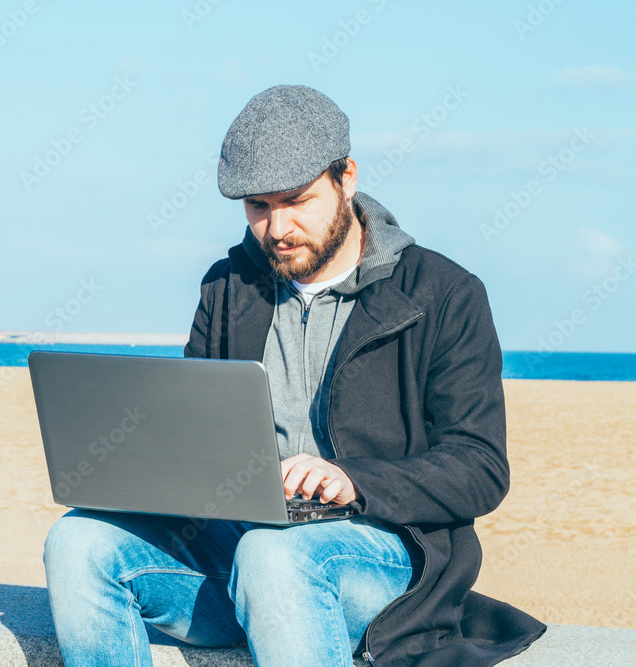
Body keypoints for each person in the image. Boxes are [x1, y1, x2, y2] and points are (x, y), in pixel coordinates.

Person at [42, 85, 546, 666]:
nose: (277, 227)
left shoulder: (443, 293)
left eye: (296, 201)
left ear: (347, 178)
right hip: (237, 548)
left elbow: (480, 468)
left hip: (384, 555)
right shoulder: (227, 287)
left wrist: (351, 479)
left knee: (273, 558)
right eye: (258, 206)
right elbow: (197, 432)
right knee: (76, 541)